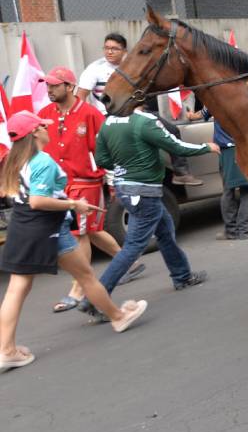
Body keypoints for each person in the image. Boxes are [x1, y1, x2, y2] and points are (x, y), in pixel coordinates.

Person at [0, 111, 149, 372]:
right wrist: (74, 204)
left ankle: (6, 350)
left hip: (25, 228)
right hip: (46, 229)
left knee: (17, 290)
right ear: (35, 133)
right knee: (86, 277)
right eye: (42, 126)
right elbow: (38, 201)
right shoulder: (42, 162)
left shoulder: (17, 160)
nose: (48, 129)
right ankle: (118, 316)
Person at [78, 104, 216, 317]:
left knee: (165, 231)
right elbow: (177, 147)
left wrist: (126, 166)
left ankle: (182, 276)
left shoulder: (108, 124)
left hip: (126, 188)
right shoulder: (145, 122)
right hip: (145, 191)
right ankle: (96, 299)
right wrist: (206, 147)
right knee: (133, 247)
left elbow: (102, 160)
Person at [38, 66, 145, 313]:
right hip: (58, 185)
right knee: (93, 230)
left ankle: (78, 287)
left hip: (86, 182)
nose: (50, 89)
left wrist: (112, 181)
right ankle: (128, 261)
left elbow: (107, 150)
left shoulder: (89, 114)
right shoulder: (44, 114)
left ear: (70, 86)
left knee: (79, 233)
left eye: (54, 85)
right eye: (48, 85)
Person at [213, 116, 248, 240]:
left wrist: (191, 115)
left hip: (226, 150)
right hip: (243, 146)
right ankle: (245, 230)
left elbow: (203, 113)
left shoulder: (213, 99)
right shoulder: (244, 97)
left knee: (228, 190)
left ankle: (232, 230)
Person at [78, 33, 128, 114]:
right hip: (102, 115)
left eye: (115, 48)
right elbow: (81, 95)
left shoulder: (131, 68)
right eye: (106, 48)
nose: (110, 52)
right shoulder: (94, 68)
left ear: (124, 51)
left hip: (127, 115)